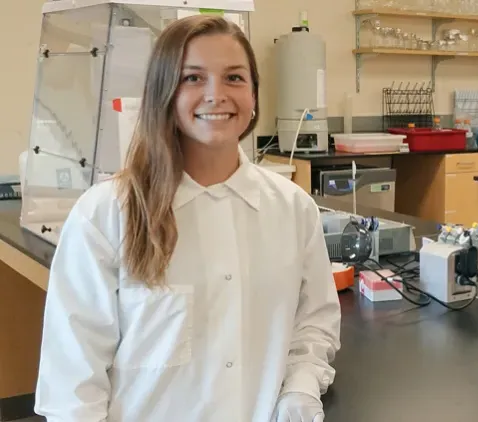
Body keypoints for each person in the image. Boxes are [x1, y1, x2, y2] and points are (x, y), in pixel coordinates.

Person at [34, 14, 341, 422]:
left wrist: (300, 389)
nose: (216, 95)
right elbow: (73, 384)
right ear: (164, 92)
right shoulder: (107, 214)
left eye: (234, 78)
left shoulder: (292, 208)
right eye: (192, 78)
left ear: (254, 95)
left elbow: (314, 323)